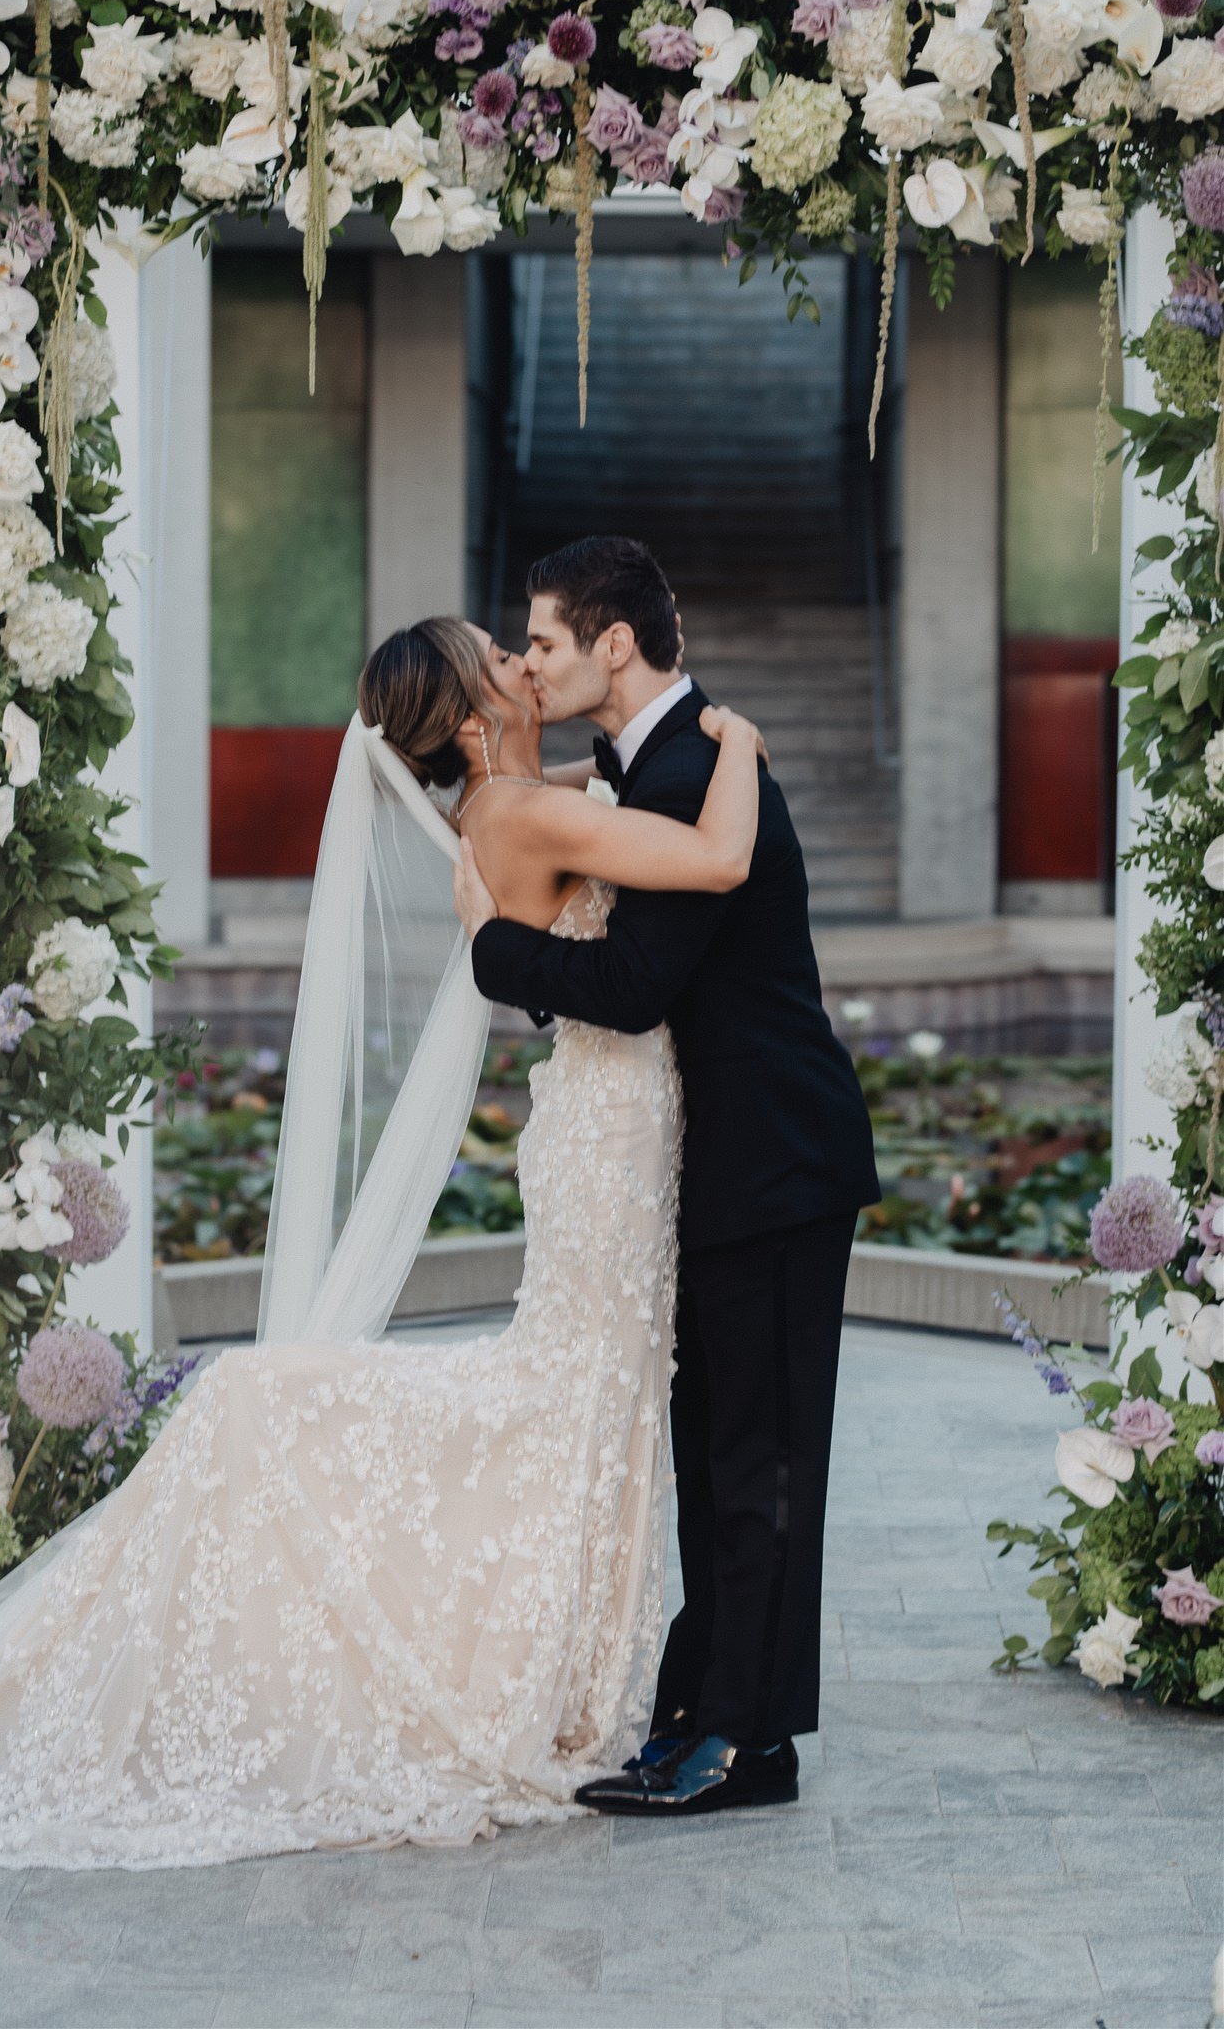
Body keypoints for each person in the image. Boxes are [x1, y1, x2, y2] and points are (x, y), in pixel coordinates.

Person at [0, 615, 764, 1867]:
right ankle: (311, 1458)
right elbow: (716, 854)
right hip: (607, 1138)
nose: (522, 662)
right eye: (502, 656)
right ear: (464, 717)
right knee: (574, 1385)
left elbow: (584, 793)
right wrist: (743, 742)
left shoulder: (510, 803)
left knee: (586, 1385)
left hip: (602, 1125)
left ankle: (504, 1624)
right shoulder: (516, 815)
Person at [453, 537, 881, 1817]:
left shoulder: (695, 759)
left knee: (757, 1457)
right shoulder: (657, 762)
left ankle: (741, 1744)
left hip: (776, 1157)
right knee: (718, 1450)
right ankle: (704, 1712)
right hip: (723, 1162)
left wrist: (497, 953)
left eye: (541, 640)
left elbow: (637, 989)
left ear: (613, 645)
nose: (527, 660)